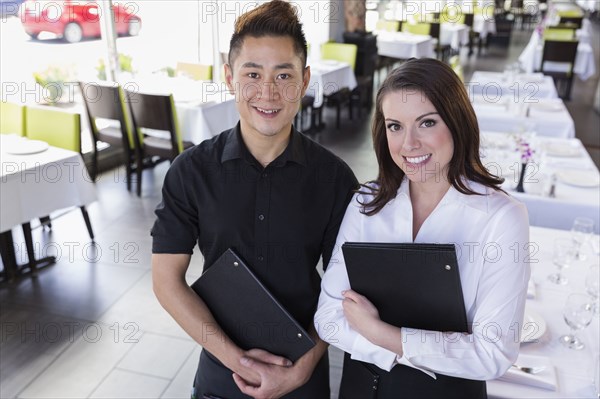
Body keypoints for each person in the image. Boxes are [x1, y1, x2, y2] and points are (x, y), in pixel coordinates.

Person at [151, 1, 358, 398]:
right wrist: (236, 359)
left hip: (303, 376)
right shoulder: (190, 171)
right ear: (229, 77)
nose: (268, 92)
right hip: (220, 374)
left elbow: (345, 291)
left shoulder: (334, 179)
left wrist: (301, 370)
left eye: (284, 75)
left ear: (304, 80)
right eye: (252, 73)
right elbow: (166, 281)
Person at [314, 58, 530, 398]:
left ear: (458, 122)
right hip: (359, 388)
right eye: (395, 126)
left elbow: (493, 353)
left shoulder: (500, 218)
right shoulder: (367, 203)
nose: (408, 144)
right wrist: (432, 349)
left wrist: (378, 332)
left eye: (426, 122)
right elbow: (328, 318)